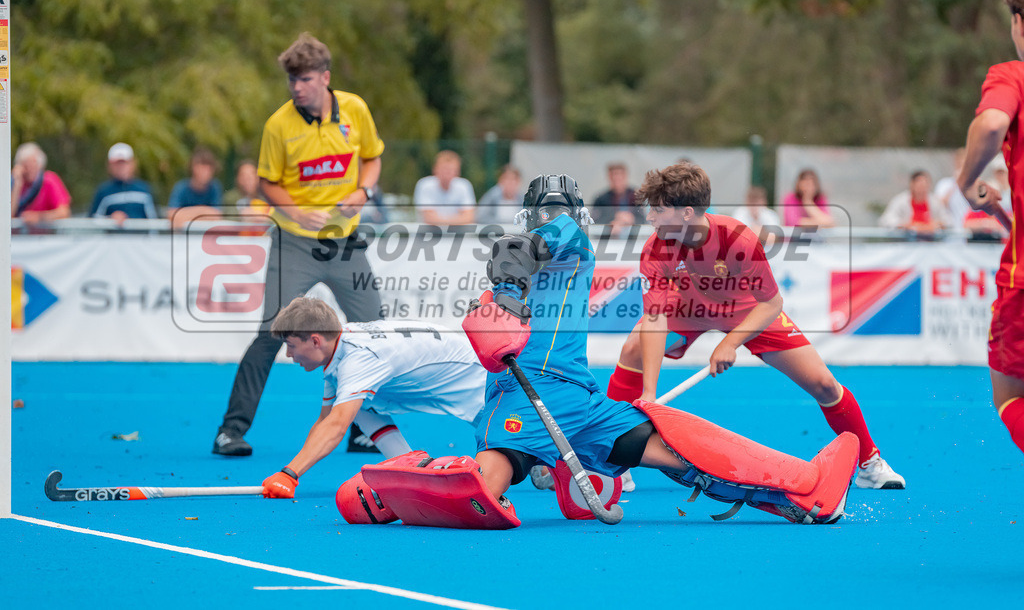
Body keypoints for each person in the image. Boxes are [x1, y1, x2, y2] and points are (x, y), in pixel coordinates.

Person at [340, 174, 861, 529]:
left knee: (663, 453)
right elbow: (515, 251)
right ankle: (801, 491)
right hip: (545, 393)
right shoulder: (568, 233)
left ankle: (798, 498)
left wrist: (504, 295)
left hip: (554, 400)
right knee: (673, 451)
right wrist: (507, 293)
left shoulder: (520, 265)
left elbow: (512, 256)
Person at [605, 162, 904, 491]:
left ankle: (869, 462)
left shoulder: (737, 239)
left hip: (746, 310)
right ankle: (612, 454)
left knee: (824, 384)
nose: (649, 218)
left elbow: (772, 303)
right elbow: (654, 318)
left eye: (658, 211)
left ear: (687, 212)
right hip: (688, 307)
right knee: (633, 348)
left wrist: (730, 343)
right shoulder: (656, 248)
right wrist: (649, 393)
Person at [212, 32, 385, 457]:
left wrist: (364, 192)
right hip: (295, 244)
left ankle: (367, 428)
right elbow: (268, 184)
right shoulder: (278, 124)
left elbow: (373, 157)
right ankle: (230, 431)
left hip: (346, 242)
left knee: (375, 332)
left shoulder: (356, 110)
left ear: (325, 78)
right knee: (273, 331)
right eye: (291, 80)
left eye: (304, 79)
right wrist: (296, 210)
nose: (296, 87)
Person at [259, 297, 486, 498]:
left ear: (316, 341)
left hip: (481, 382)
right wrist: (290, 472)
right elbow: (325, 421)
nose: (288, 354)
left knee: (514, 454)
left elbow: (336, 426)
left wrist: (289, 474)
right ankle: (410, 469)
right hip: (458, 376)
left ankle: (410, 470)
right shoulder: (340, 345)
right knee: (352, 405)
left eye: (291, 346)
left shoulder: (358, 359)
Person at [956, 0, 1024, 457]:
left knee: (1010, 398)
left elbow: (994, 121)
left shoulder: (1012, 75)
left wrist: (965, 179)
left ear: (1018, 22)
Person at [88, 142, 158, 222]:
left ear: (133, 164)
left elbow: (154, 220)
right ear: (109, 166)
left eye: (124, 163)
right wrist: (110, 218)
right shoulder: (103, 191)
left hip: (140, 235)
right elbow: (92, 221)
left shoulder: (145, 189)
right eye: (117, 164)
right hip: (113, 235)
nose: (121, 167)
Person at [11, 142, 71, 225]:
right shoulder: (16, 183)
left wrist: (39, 217)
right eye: (25, 165)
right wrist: (16, 184)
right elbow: (8, 215)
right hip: (21, 237)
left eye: (32, 164)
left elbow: (64, 212)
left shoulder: (50, 180)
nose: (29, 169)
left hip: (46, 236)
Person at [878, 170, 951, 237]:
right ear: (912, 184)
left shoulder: (935, 202)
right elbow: (886, 220)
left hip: (931, 242)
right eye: (919, 184)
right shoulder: (900, 201)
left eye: (925, 184)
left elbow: (948, 220)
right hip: (906, 241)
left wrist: (938, 224)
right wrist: (906, 225)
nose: (922, 188)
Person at [413, 149, 476, 225]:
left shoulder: (464, 186)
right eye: (444, 169)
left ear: (458, 172)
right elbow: (429, 218)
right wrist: (457, 221)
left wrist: (444, 223)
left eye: (451, 170)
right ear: (435, 169)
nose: (447, 174)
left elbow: (469, 217)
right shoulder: (425, 185)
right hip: (428, 236)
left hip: (456, 235)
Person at [166, 146, 224, 228]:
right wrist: (203, 211)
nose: (205, 172)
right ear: (193, 168)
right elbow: (172, 215)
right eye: (202, 167)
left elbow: (216, 215)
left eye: (208, 168)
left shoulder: (215, 187)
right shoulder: (181, 187)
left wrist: (185, 215)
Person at [592, 162, 642, 238]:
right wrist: (613, 220)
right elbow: (595, 221)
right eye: (614, 176)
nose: (617, 180)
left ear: (625, 176)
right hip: (608, 241)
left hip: (633, 241)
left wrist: (632, 219)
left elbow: (645, 220)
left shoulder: (636, 196)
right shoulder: (601, 199)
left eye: (619, 176)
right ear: (609, 177)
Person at [935, 148, 973, 233]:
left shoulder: (974, 185)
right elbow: (939, 205)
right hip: (950, 232)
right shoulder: (944, 184)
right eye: (959, 163)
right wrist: (955, 183)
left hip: (969, 232)